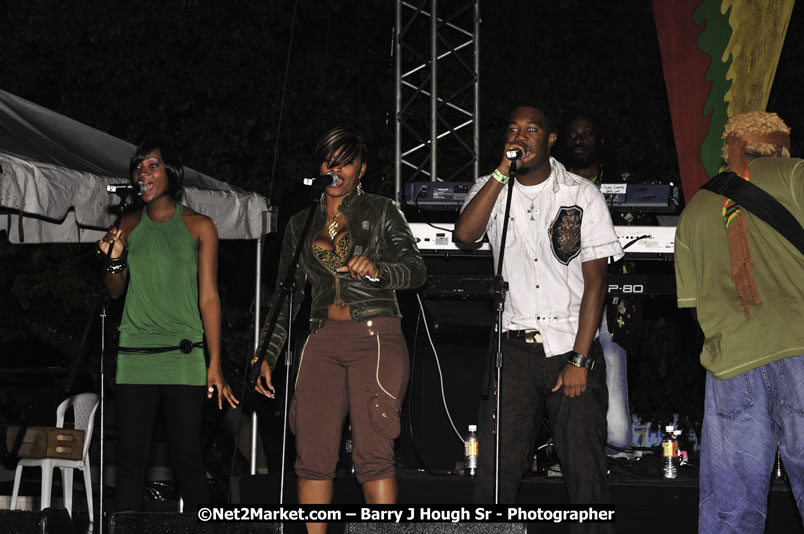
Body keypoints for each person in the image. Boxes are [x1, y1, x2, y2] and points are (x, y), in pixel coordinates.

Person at [454, 104, 622, 524]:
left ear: (550, 139)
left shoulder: (581, 195)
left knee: (585, 477)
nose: (520, 135)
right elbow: (464, 235)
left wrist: (580, 359)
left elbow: (596, 284)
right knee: (495, 478)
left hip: (569, 346)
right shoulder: (492, 187)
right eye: (513, 128)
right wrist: (498, 173)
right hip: (511, 350)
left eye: (532, 129)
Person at [253, 127, 426, 533]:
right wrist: (266, 354)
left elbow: (417, 271)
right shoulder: (301, 223)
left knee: (373, 453)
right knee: (312, 454)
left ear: (361, 169)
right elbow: (286, 295)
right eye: (330, 159)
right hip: (321, 338)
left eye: (346, 160)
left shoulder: (382, 210)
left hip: (375, 337)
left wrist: (380, 271)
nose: (337, 168)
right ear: (320, 166)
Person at [674, 110, 804, 533]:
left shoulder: (694, 209)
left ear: (728, 151)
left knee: (731, 507)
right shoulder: (796, 175)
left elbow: (696, 309)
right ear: (781, 144)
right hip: (801, 350)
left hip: (733, 366)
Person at [98, 136, 239, 512]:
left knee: (187, 459)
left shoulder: (200, 226)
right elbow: (115, 291)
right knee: (129, 464)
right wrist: (114, 260)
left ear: (172, 173)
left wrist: (215, 363)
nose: (143, 172)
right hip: (135, 358)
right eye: (138, 166)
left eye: (152, 165)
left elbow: (209, 297)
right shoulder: (126, 225)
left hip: (183, 357)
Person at [559, 111, 632, 456]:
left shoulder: (622, 186)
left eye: (586, 132)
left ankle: (616, 450)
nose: (579, 139)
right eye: (572, 134)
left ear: (599, 141)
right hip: (561, 299)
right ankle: (564, 452)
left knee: (613, 363)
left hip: (610, 299)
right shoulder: (551, 186)